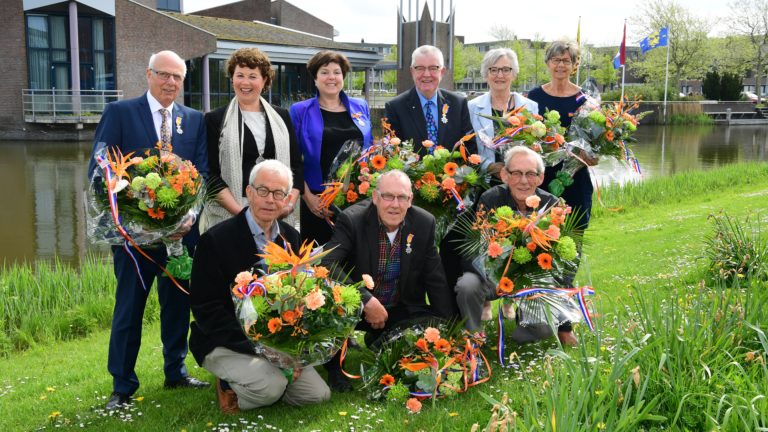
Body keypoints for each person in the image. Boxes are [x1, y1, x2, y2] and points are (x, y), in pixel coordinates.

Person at [89, 50, 210, 411]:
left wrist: (188, 217)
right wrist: (132, 220)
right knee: (129, 310)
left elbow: (201, 173)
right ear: (148, 74)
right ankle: (122, 386)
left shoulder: (193, 119)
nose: (170, 82)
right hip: (134, 242)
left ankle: (176, 371)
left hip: (180, 238)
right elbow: (101, 171)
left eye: (177, 77)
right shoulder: (120, 113)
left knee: (177, 306)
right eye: (164, 74)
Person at [189, 160, 330, 414]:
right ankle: (229, 386)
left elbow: (298, 296)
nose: (270, 200)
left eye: (278, 193)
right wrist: (262, 350)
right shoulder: (215, 240)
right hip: (226, 339)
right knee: (270, 387)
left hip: (277, 339)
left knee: (317, 395)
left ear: (288, 199)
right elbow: (206, 308)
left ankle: (266, 381)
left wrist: (290, 349)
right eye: (263, 191)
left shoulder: (291, 237)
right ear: (249, 192)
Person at [322, 170, 458, 389]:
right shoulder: (352, 220)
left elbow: (435, 279)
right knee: (331, 305)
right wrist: (365, 300)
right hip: (355, 307)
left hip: (398, 305)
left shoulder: (424, 223)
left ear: (410, 200)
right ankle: (336, 368)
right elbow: (326, 264)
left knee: (421, 337)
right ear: (375, 197)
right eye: (388, 196)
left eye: (402, 197)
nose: (395, 204)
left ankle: (380, 339)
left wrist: (449, 331)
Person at [454, 146, 578, 346]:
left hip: (531, 282)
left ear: (540, 177)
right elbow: (473, 248)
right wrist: (494, 275)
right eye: (516, 173)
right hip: (492, 277)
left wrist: (565, 328)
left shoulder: (552, 206)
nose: (523, 181)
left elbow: (564, 268)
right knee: (467, 284)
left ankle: (527, 325)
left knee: (537, 333)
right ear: (504, 175)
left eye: (530, 174)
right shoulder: (490, 199)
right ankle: (473, 337)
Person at [200, 48, 303, 233]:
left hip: (277, 214)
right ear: (232, 79)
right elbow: (211, 176)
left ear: (264, 81)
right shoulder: (215, 119)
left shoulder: (282, 117)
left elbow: (296, 167)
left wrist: (288, 205)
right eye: (240, 75)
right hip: (231, 217)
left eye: (253, 76)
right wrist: (243, 215)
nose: (245, 82)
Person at [289, 50, 373, 247]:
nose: (331, 77)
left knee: (357, 257)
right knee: (321, 260)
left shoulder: (361, 106)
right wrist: (308, 197)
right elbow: (292, 158)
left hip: (357, 199)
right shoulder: (300, 110)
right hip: (318, 203)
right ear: (315, 78)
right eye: (325, 72)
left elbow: (370, 151)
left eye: (337, 72)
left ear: (343, 77)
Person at [527, 38, 595, 231]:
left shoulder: (585, 99)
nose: (560, 65)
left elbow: (593, 141)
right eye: (556, 60)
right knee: (537, 237)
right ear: (548, 63)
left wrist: (591, 155)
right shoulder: (534, 97)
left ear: (575, 65)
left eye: (566, 61)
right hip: (540, 177)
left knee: (573, 236)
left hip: (575, 178)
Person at [385, 45, 477, 155]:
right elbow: (391, 152)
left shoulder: (458, 104)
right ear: (412, 71)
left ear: (442, 72)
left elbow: (469, 148)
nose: (427, 74)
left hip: (453, 171)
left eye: (433, 68)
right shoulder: (395, 107)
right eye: (420, 68)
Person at [469, 48, 539, 167]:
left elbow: (535, 146)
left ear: (514, 74)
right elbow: (468, 149)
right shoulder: (472, 107)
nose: (500, 75)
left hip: (519, 179)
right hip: (485, 181)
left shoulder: (530, 106)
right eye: (494, 70)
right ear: (486, 74)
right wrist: (490, 167)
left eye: (506, 70)